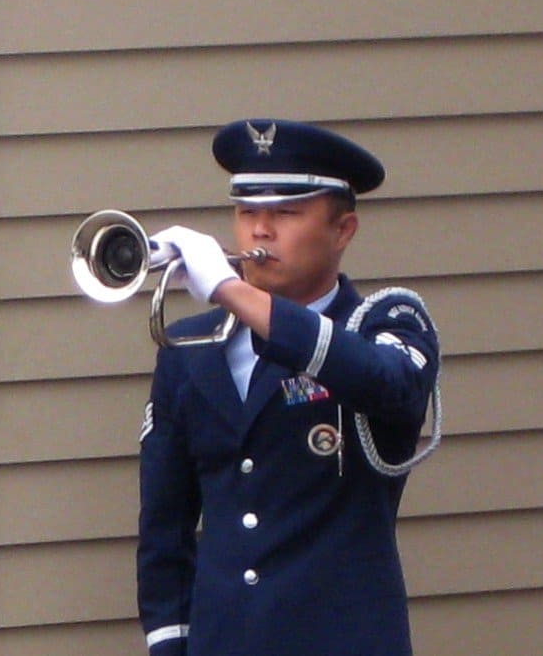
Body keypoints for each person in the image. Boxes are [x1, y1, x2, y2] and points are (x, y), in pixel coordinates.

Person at [137, 118, 441, 656]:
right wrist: (170, 644)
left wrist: (229, 290)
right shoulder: (189, 349)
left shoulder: (385, 324)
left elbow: (387, 384)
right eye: (247, 211)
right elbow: (166, 526)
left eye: (285, 213)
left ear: (343, 230)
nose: (260, 231)